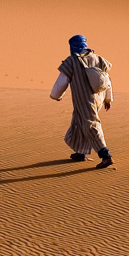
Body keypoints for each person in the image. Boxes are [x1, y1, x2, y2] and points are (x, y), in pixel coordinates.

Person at [50, 35, 114, 169]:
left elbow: (62, 81)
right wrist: (108, 98)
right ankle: (81, 152)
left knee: (90, 124)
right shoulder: (98, 58)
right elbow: (107, 80)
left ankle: (105, 155)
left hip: (84, 99)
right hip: (98, 98)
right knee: (78, 121)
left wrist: (56, 95)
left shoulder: (72, 61)